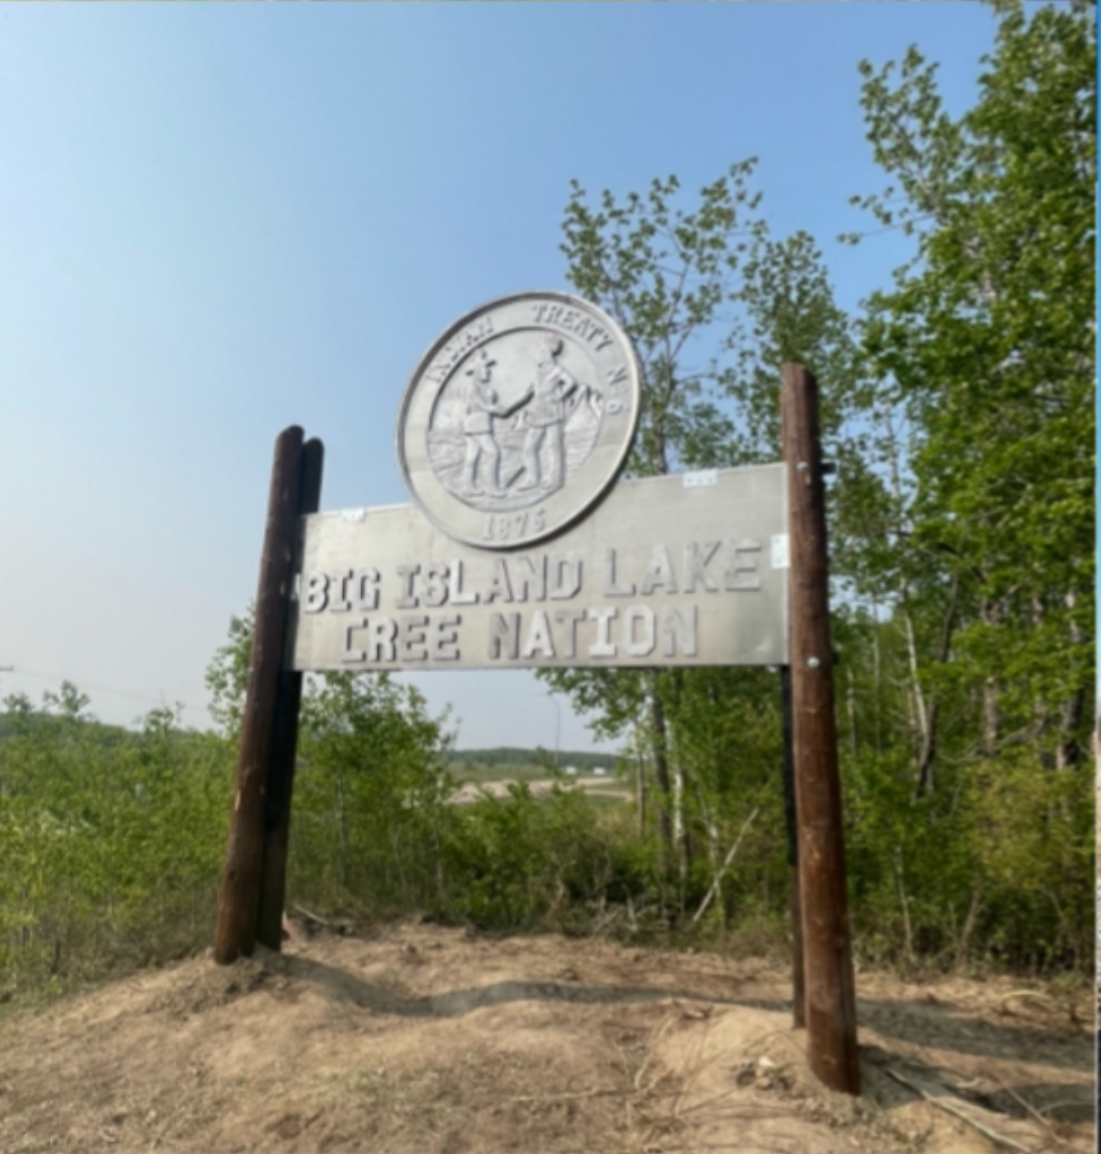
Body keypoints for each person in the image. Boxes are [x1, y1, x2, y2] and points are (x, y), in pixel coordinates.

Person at [510, 336, 583, 494]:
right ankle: (532, 478)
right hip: (537, 412)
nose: (537, 356)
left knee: (553, 445)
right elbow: (527, 392)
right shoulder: (536, 374)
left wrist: (560, 396)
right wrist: (510, 407)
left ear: (547, 354)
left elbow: (571, 382)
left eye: (540, 352)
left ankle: (555, 478)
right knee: (529, 447)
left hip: (553, 411)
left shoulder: (557, 370)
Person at [460, 348, 530, 497]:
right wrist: (516, 402)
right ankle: (492, 488)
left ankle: (468, 487)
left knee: (472, 456)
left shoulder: (482, 387)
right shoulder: (472, 388)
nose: (489, 371)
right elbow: (488, 407)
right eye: (486, 368)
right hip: (477, 426)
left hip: (476, 426)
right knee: (493, 453)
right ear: (477, 370)